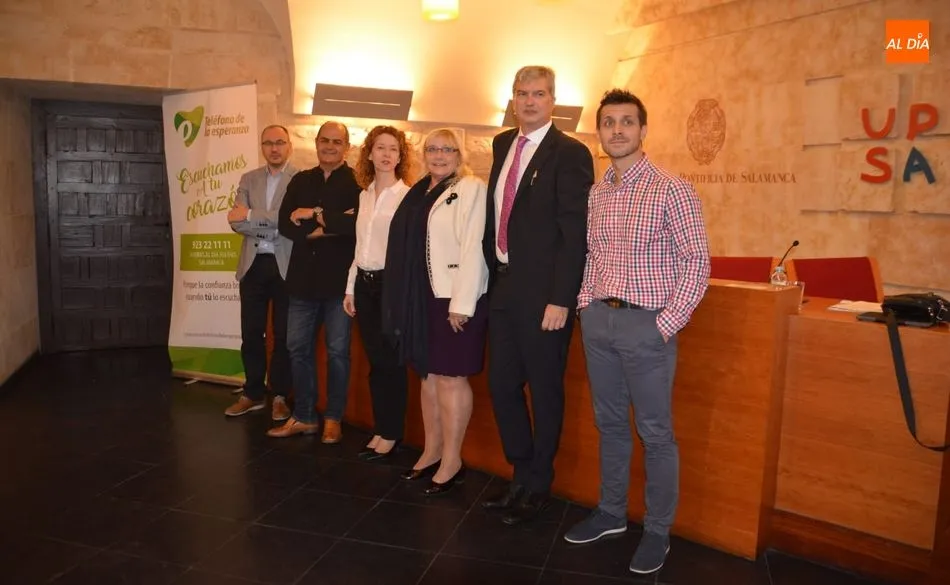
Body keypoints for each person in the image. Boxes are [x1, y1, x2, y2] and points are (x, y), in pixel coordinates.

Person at [563, 89, 710, 575]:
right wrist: (586, 306)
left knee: (655, 432)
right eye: (609, 123)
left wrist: (664, 324)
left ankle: (657, 532)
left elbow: (696, 264)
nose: (618, 130)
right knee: (609, 424)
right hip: (599, 323)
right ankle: (610, 513)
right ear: (600, 132)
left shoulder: (671, 188)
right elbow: (594, 256)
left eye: (628, 122)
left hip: (648, 324)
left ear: (643, 130)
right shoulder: (598, 192)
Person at [480, 65, 594, 525]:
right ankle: (520, 472)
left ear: (553, 100)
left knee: (545, 391)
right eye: (522, 94)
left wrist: (561, 299)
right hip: (503, 287)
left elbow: (574, 232)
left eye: (539, 94)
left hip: (546, 296)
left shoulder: (571, 153)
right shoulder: (502, 143)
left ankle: (539, 483)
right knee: (501, 385)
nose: (529, 102)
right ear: (512, 98)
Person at [382, 129, 489, 495]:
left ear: (460, 154)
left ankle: (453, 459)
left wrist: (462, 305)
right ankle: (431, 450)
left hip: (454, 298)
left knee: (451, 378)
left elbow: (473, 245)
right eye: (432, 149)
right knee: (428, 376)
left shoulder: (471, 187)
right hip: (422, 296)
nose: (439, 155)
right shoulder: (419, 190)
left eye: (447, 149)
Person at [269, 121, 360, 442]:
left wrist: (312, 217)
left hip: (339, 286)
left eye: (337, 141)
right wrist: (328, 224)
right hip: (302, 283)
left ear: (346, 147)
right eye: (325, 140)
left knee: (338, 353)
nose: (330, 146)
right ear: (317, 143)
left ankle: (333, 417)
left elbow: (357, 226)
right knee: (297, 349)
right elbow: (284, 223)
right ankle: (305, 416)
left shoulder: (357, 183)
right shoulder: (301, 180)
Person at [342, 126, 413, 460]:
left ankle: (391, 433)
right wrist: (350, 287)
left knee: (390, 362)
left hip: (391, 286)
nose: (387, 155)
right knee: (375, 361)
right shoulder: (364, 194)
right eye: (381, 148)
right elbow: (361, 246)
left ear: (401, 157)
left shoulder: (407, 196)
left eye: (394, 149)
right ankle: (381, 427)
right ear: (369, 153)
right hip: (365, 285)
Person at [224, 125, 296, 422]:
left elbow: (290, 221)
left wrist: (253, 216)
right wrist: (271, 222)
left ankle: (279, 396)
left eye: (280, 142)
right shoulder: (248, 178)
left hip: (285, 266)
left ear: (289, 145)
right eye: (268, 143)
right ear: (262, 147)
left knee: (283, 335)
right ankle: (252, 393)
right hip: (253, 265)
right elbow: (235, 222)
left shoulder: (300, 180)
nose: (274, 148)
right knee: (251, 333)